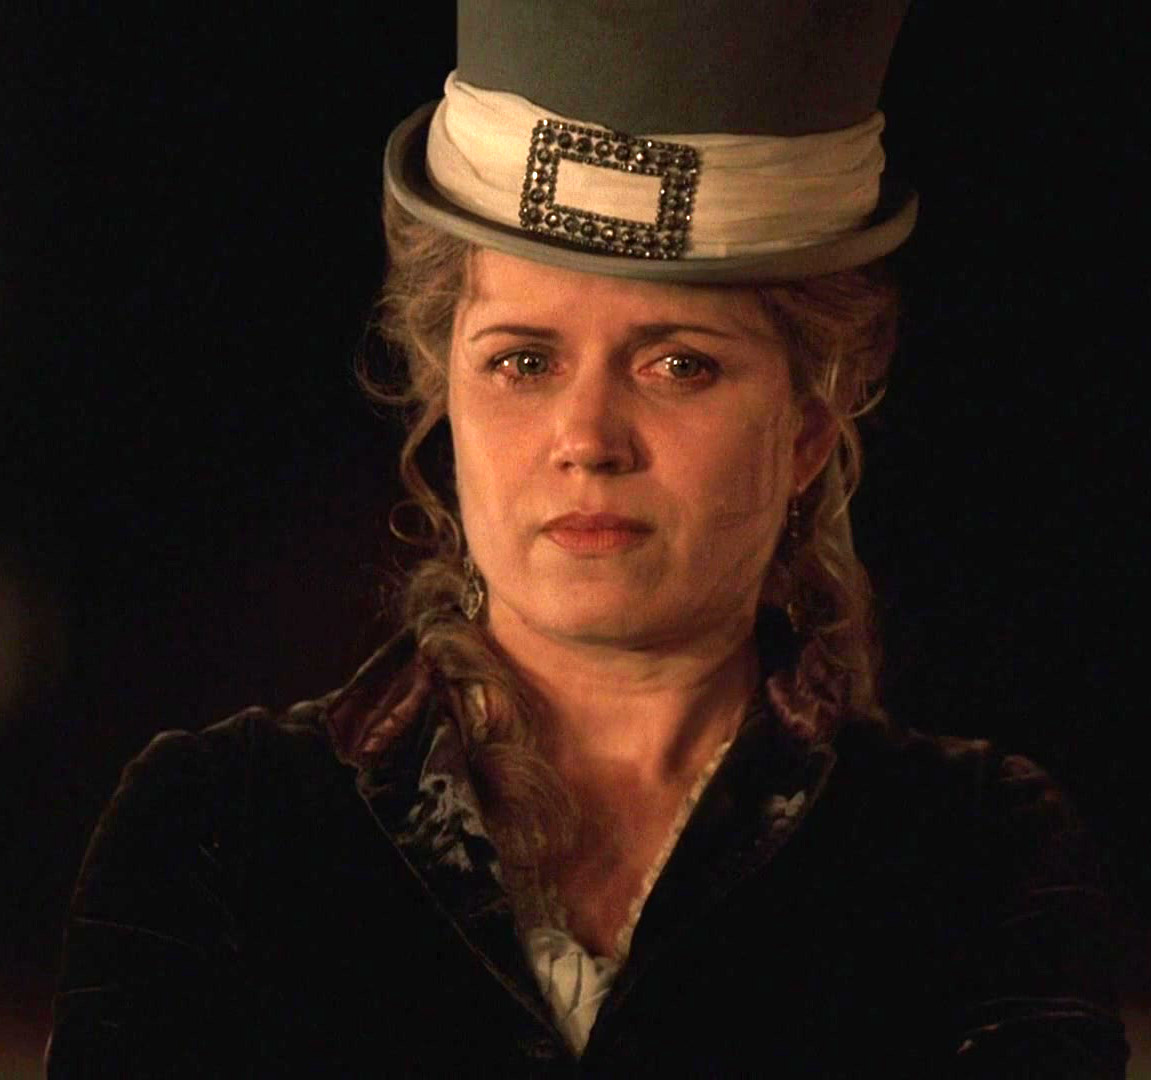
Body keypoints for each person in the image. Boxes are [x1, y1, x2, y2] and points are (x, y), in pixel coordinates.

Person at [47, 1, 1130, 1074]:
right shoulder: (216, 828)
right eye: (522, 361)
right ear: (446, 400)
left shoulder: (976, 856)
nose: (587, 439)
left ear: (805, 429)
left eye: (678, 364)